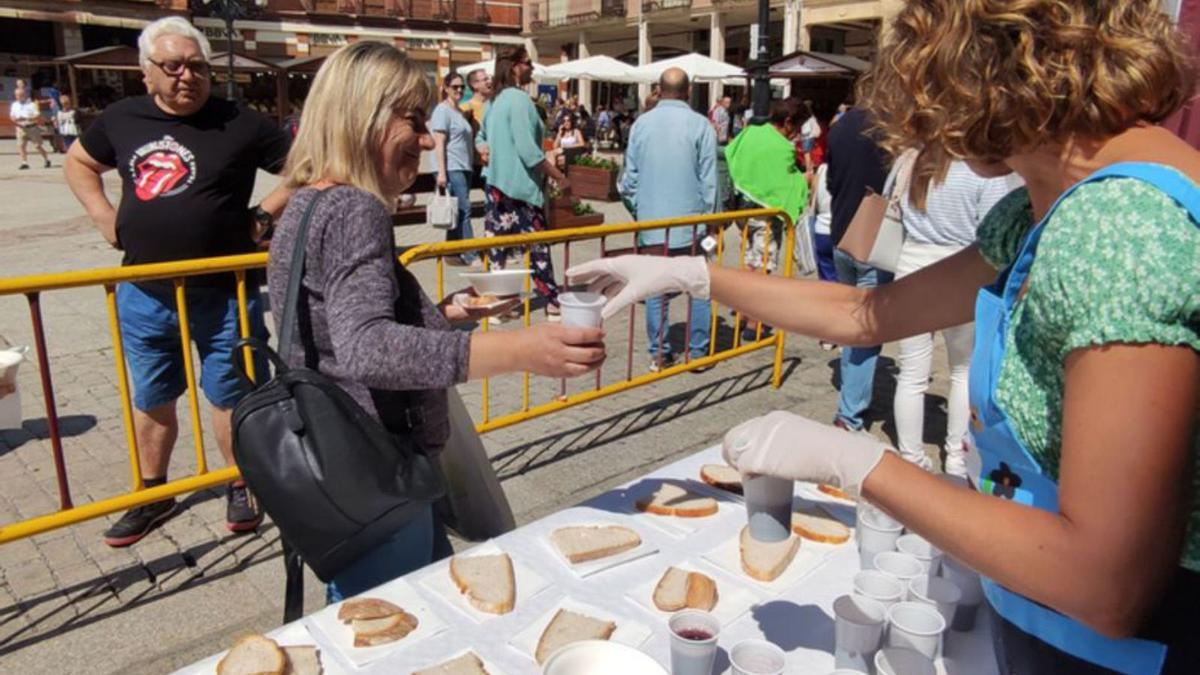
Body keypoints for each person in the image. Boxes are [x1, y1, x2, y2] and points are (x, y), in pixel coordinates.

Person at [569, 1, 1200, 671]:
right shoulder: (1058, 201)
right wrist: (691, 274)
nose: (936, 137)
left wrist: (862, 465)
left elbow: (1103, 583)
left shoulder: (1119, 228)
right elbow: (867, 314)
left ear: (985, 75)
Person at [271, 41, 605, 600]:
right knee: (399, 630)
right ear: (363, 117)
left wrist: (442, 313)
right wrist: (524, 351)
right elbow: (365, 348)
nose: (428, 140)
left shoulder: (306, 201)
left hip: (349, 471)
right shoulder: (355, 208)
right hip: (380, 475)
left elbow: (333, 324)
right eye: (414, 120)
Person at [63, 16, 293, 547]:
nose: (186, 76)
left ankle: (241, 482)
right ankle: (153, 493)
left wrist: (264, 215)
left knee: (232, 393)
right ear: (148, 73)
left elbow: (306, 166)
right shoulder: (121, 118)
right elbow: (79, 163)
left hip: (225, 292)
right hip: (146, 291)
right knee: (151, 395)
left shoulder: (239, 120)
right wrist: (102, 215)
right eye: (173, 66)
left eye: (196, 66)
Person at [888, 146, 1022, 475]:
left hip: (912, 265)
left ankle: (910, 456)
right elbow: (994, 230)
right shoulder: (981, 170)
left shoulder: (911, 161)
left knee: (911, 375)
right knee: (962, 372)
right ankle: (957, 457)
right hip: (964, 271)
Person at [620, 68, 717, 372]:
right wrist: (711, 219)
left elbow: (629, 179)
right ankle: (698, 352)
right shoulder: (702, 125)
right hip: (691, 224)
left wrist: (639, 210)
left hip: (651, 224)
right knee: (698, 287)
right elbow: (709, 180)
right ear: (688, 91)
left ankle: (659, 352)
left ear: (659, 90)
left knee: (654, 289)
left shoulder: (641, 126)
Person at [479, 46, 571, 319]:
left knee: (498, 248)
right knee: (537, 247)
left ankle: (498, 305)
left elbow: (480, 135)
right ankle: (552, 301)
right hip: (519, 186)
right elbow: (529, 152)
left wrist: (483, 147)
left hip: (495, 183)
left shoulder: (492, 101)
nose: (532, 68)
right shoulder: (519, 101)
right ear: (516, 66)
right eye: (529, 63)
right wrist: (560, 177)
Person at [825, 104, 892, 432]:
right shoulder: (891, 132)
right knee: (866, 329)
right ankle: (850, 413)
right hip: (874, 239)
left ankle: (852, 400)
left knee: (854, 319)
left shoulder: (839, 127)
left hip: (842, 233)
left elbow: (831, 182)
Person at [724, 97, 810, 279]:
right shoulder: (781, 146)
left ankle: (742, 302)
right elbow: (783, 184)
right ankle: (751, 303)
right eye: (798, 127)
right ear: (788, 122)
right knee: (762, 264)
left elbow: (732, 155)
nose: (798, 134)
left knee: (749, 258)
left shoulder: (751, 133)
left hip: (741, 209)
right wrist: (803, 180)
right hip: (766, 215)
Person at [431, 72, 478, 267]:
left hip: (463, 166)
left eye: (461, 87)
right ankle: (471, 254)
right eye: (455, 87)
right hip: (451, 166)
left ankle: (450, 252)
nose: (459, 90)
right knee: (464, 209)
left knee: (456, 211)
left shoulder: (458, 111)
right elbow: (439, 142)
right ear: (446, 88)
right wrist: (441, 173)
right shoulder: (442, 111)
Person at [10, 87, 50, 170]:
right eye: (17, 95)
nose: (18, 96)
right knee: (21, 145)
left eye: (20, 95)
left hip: (32, 127)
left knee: (37, 146)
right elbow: (12, 115)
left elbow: (37, 115)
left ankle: (46, 159)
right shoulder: (14, 104)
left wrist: (26, 118)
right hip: (20, 127)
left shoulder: (31, 104)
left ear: (24, 95)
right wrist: (14, 119)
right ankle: (24, 162)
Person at [798, 100, 821, 174]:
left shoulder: (807, 117)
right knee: (808, 153)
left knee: (806, 154)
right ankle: (810, 168)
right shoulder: (812, 117)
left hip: (807, 137)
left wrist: (802, 135)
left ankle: (808, 170)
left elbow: (806, 130)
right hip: (810, 136)